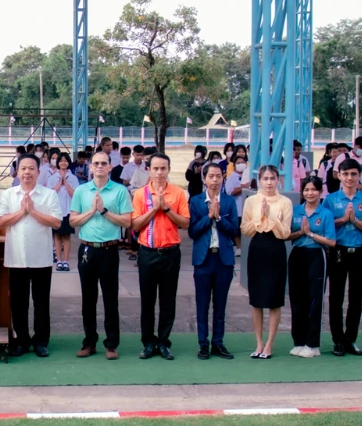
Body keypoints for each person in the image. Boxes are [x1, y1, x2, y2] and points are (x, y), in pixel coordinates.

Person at [0, 154, 63, 357]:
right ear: (17, 171)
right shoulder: (8, 194)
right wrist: (22, 212)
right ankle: (22, 340)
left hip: (40, 257)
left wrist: (32, 211)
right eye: (23, 168)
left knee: (41, 302)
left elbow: (57, 222)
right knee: (18, 302)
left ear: (38, 172)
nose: (27, 172)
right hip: (15, 258)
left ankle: (41, 341)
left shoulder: (49, 195)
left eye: (31, 168)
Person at [69, 151, 132, 360]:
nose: (99, 166)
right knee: (88, 298)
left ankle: (111, 344)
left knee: (110, 298)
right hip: (87, 249)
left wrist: (104, 211)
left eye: (103, 163)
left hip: (109, 250)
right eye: (95, 163)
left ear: (110, 167)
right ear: (90, 166)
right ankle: (89, 342)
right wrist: (91, 211)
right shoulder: (81, 190)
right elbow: (73, 221)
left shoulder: (120, 191)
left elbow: (126, 222)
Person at [131, 153, 190, 360]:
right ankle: (148, 342)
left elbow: (185, 223)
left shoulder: (178, 193)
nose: (159, 172)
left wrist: (165, 208)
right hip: (147, 252)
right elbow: (135, 225)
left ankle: (164, 342)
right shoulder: (141, 194)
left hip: (170, 253)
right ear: (149, 169)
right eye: (155, 168)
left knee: (167, 300)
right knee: (147, 301)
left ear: (168, 170)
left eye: (163, 168)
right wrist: (154, 209)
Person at [324, 158, 362, 356]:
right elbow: (326, 226)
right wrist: (343, 220)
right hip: (338, 251)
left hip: (359, 252)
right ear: (339, 175)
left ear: (359, 175)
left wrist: (354, 221)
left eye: (353, 174)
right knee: (336, 298)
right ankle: (337, 340)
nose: (349, 178)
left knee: (356, 298)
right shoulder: (331, 199)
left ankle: (350, 339)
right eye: (345, 174)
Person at [239, 166, 293, 359]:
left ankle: (270, 344)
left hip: (276, 248)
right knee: (257, 300)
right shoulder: (251, 201)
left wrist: (271, 218)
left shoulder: (285, 202)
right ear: (260, 180)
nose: (269, 182)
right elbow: (245, 229)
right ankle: (259, 343)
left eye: (272, 178)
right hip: (257, 248)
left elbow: (285, 232)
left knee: (274, 300)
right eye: (265, 179)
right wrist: (260, 218)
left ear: (278, 180)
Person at [188, 163, 239, 360]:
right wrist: (209, 217)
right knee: (202, 304)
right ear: (204, 179)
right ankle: (203, 343)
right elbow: (192, 231)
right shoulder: (196, 201)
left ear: (223, 178)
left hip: (223, 259)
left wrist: (219, 219)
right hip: (203, 259)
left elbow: (234, 230)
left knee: (220, 305)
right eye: (211, 176)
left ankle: (218, 342)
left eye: (219, 176)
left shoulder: (229, 201)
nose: (215, 180)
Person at [287, 177, 336, 357]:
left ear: (320, 191)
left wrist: (310, 234)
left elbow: (331, 241)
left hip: (317, 255)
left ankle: (313, 344)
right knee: (296, 299)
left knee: (314, 300)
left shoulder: (325, 213)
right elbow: (287, 235)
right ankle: (299, 341)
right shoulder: (296, 211)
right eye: (306, 190)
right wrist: (301, 232)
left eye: (313, 190)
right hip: (297, 254)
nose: (310, 193)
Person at [46, 152, 79, 272]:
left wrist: (66, 183)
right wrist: (60, 183)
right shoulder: (52, 178)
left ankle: (66, 261)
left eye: (65, 161)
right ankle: (58, 260)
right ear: (58, 163)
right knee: (57, 235)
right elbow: (50, 193)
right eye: (61, 161)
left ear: (69, 162)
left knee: (67, 236)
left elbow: (75, 195)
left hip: (68, 210)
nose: (63, 163)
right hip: (56, 211)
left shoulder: (73, 178)